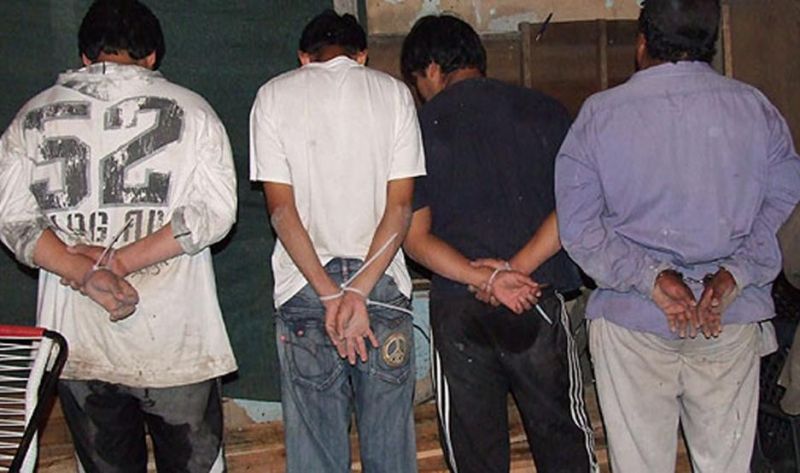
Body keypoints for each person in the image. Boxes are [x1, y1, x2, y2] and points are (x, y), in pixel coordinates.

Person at [554, 0, 800, 471]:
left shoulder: (600, 115)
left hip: (633, 322)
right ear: (711, 43)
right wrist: (733, 274)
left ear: (642, 42)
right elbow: (786, 209)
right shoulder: (755, 108)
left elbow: (580, 229)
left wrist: (651, 278)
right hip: (726, 316)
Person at [0, 0, 239, 470]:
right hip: (176, 340)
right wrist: (123, 262)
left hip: (79, 338)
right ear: (152, 56)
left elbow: (12, 219)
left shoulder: (31, 117)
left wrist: (84, 271)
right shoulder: (194, 112)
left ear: (85, 55)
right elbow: (215, 213)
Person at [401, 15, 597, 473]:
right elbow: (572, 210)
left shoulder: (417, 128)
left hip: (460, 306)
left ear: (432, 69)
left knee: (476, 455)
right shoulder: (546, 111)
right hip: (535, 297)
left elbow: (415, 238)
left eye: (417, 81)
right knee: (563, 442)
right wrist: (515, 272)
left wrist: (486, 278)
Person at [249, 10, 425, 473]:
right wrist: (358, 292)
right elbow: (400, 209)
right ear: (361, 55)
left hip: (306, 288)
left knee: (315, 451)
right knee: (390, 447)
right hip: (380, 285)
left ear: (304, 57)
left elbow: (281, 212)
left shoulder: (272, 95)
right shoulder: (394, 94)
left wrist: (331, 294)